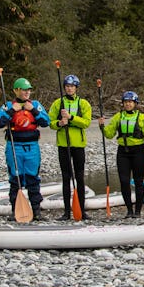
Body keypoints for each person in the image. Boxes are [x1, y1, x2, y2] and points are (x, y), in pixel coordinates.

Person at [0, 77, 51, 221]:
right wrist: (12, 111)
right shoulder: (8, 106)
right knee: (15, 178)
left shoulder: (35, 105)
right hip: (14, 146)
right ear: (16, 91)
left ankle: (36, 210)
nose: (27, 93)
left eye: (29, 90)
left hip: (32, 147)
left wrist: (35, 112)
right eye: (24, 90)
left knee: (33, 178)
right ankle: (16, 210)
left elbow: (46, 122)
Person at [99, 91, 144, 218]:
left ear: (135, 103)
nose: (128, 104)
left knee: (138, 181)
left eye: (130, 102)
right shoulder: (118, 117)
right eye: (126, 102)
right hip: (123, 152)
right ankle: (129, 210)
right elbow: (109, 134)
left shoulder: (143, 118)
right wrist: (102, 126)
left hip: (138, 151)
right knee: (124, 181)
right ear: (123, 104)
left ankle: (138, 211)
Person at [48, 74, 92, 220]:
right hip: (63, 144)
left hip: (78, 145)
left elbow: (86, 123)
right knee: (66, 178)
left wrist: (71, 118)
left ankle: (82, 210)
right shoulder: (57, 103)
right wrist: (60, 123)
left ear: (76, 88)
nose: (69, 88)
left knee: (79, 177)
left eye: (72, 86)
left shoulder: (84, 103)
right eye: (67, 86)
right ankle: (67, 212)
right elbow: (50, 122)